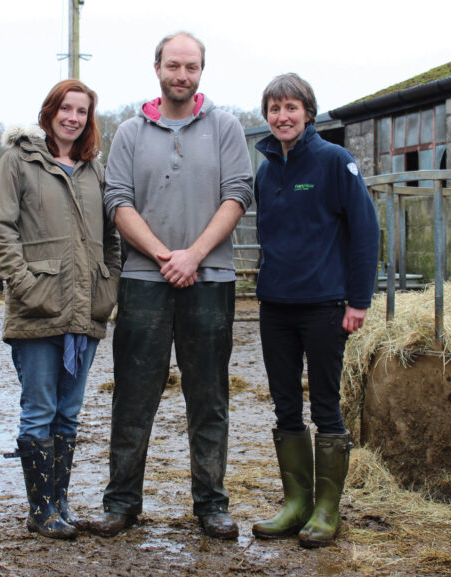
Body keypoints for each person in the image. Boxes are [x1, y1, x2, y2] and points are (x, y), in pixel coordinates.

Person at [87, 31, 253, 540]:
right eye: (174, 65)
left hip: (211, 281)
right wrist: (164, 256)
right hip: (144, 281)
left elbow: (238, 195)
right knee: (134, 396)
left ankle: (211, 504)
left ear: (202, 71)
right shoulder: (130, 133)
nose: (182, 75)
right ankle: (120, 503)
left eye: (192, 67)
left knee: (209, 396)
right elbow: (117, 201)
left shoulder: (226, 128)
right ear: (156, 67)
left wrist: (194, 256)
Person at [0, 79, 120, 540]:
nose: (73, 118)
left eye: (82, 111)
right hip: (38, 309)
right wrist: (24, 285)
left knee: (69, 413)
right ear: (50, 111)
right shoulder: (18, 162)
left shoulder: (95, 170)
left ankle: (60, 503)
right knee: (40, 409)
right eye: (66, 108)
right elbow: (0, 229)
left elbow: (113, 236)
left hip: (85, 311)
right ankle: (40, 509)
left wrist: (110, 285)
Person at [249, 73, 379, 547]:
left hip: (324, 305)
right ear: (267, 115)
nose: (282, 117)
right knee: (285, 404)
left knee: (325, 404)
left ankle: (327, 509)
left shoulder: (334, 161)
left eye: (291, 108)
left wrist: (359, 300)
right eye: (275, 109)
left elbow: (366, 233)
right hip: (275, 306)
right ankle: (295, 503)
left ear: (308, 112)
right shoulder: (266, 171)